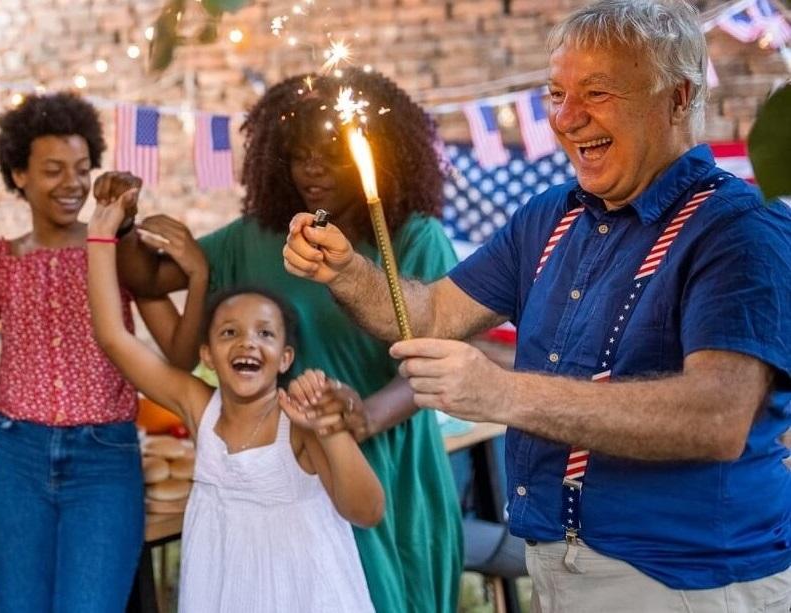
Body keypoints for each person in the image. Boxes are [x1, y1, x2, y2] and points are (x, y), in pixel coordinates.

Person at [283, 1, 791, 611]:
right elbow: (430, 315)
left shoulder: (740, 230)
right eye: (556, 93)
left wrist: (501, 393)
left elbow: (716, 418)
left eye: (597, 93)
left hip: (689, 581)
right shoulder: (549, 216)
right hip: (557, 564)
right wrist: (349, 272)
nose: (568, 119)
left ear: (679, 98)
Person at [97, 68, 465, 612]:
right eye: (297, 153)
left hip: (383, 450)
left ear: (374, 155)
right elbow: (148, 279)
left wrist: (363, 415)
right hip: (286, 459)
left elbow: (443, 354)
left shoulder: (412, 238)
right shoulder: (256, 236)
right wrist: (121, 226)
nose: (311, 168)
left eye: (330, 153)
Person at [0, 92, 200, 612]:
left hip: (104, 460)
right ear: (18, 174)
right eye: (52, 170)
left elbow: (181, 357)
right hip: (16, 461)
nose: (72, 184)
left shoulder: (114, 248)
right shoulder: (0, 261)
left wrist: (198, 274)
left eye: (82, 169)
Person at [86, 193, 383, 611]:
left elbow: (367, 510)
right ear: (206, 355)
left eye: (265, 333)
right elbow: (114, 339)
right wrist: (100, 239)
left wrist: (330, 431)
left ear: (285, 358)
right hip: (220, 591)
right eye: (229, 332)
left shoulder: (297, 421)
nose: (247, 341)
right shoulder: (198, 407)